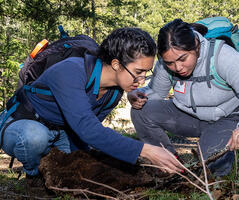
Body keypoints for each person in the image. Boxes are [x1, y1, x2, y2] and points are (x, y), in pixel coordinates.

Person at [0, 27, 184, 183]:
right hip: (23, 122)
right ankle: (33, 178)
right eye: (138, 72)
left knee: (75, 172)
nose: (142, 80)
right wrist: (147, 150)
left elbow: (86, 132)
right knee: (33, 138)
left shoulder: (113, 92)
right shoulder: (70, 70)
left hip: (64, 132)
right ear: (116, 64)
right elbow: (87, 128)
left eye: (146, 72)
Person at [128, 19, 239, 176]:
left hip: (228, 118)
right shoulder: (166, 63)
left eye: (183, 59)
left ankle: (218, 161)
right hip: (188, 116)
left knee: (209, 164)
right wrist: (137, 95)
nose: (178, 68)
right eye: (170, 63)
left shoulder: (222, 56)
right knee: (141, 111)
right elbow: (156, 92)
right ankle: (169, 164)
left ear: (196, 46)